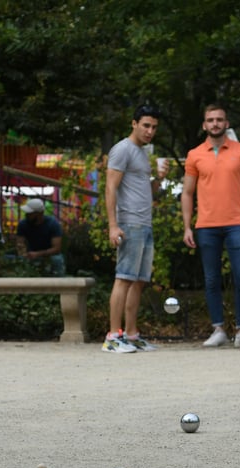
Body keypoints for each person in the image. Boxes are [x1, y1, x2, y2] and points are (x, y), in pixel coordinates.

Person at [182, 104, 240, 348]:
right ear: (204, 125)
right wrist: (187, 227)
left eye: (219, 119)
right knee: (211, 280)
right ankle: (217, 329)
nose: (215, 123)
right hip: (206, 225)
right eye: (210, 120)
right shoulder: (195, 154)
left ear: (227, 123)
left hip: (237, 224)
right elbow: (187, 193)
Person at [102, 104, 165, 353]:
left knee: (138, 282)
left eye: (154, 127)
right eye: (146, 125)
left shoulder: (141, 152)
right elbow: (110, 188)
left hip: (144, 223)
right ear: (134, 124)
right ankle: (113, 336)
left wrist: (158, 180)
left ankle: (130, 334)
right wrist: (113, 225)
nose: (150, 131)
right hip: (128, 223)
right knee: (124, 279)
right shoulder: (122, 149)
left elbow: (145, 191)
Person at [16, 198, 65, 276]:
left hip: (49, 256)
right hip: (30, 256)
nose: (26, 215)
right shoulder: (23, 224)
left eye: (30, 213)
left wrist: (38, 254)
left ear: (39, 214)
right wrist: (23, 253)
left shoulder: (53, 224)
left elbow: (56, 249)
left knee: (57, 259)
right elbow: (20, 243)